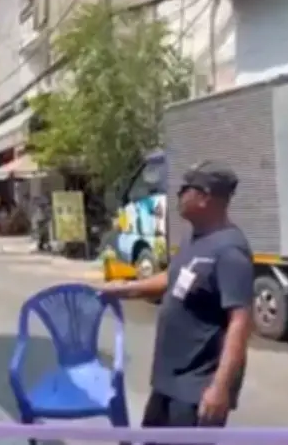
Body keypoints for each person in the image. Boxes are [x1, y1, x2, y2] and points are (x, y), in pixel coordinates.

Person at [101, 160, 254, 434]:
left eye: (186, 189)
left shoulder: (230, 251)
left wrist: (220, 388)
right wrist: (123, 289)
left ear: (205, 197)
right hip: (169, 382)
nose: (179, 194)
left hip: (197, 389)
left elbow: (240, 323)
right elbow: (171, 278)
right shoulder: (195, 239)